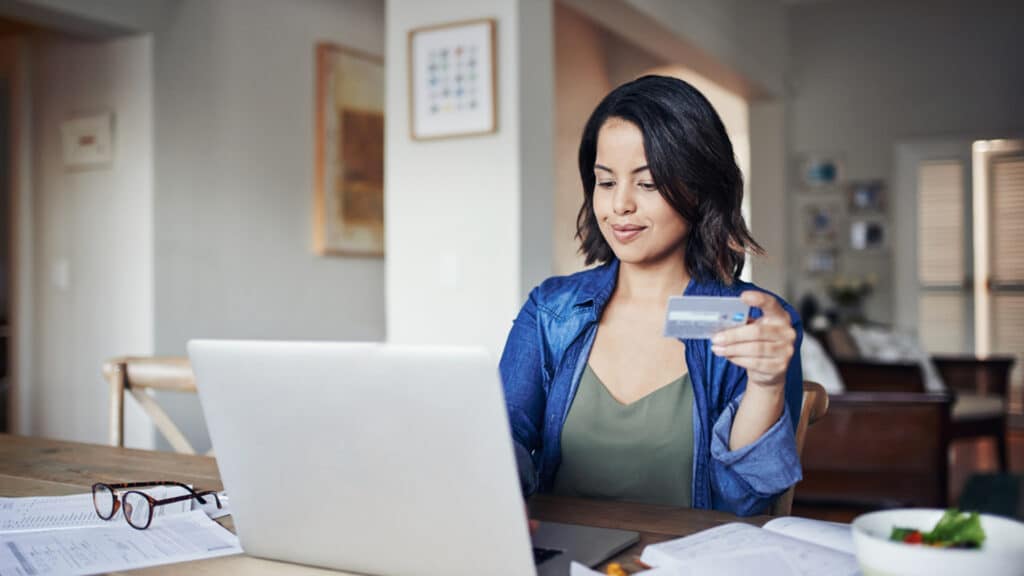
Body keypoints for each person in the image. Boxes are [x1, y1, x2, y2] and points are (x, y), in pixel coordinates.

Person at [499, 75, 803, 517]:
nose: (620, 205)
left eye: (647, 183)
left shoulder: (751, 321)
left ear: (699, 187)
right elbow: (501, 442)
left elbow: (747, 504)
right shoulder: (552, 310)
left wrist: (767, 383)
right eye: (605, 182)